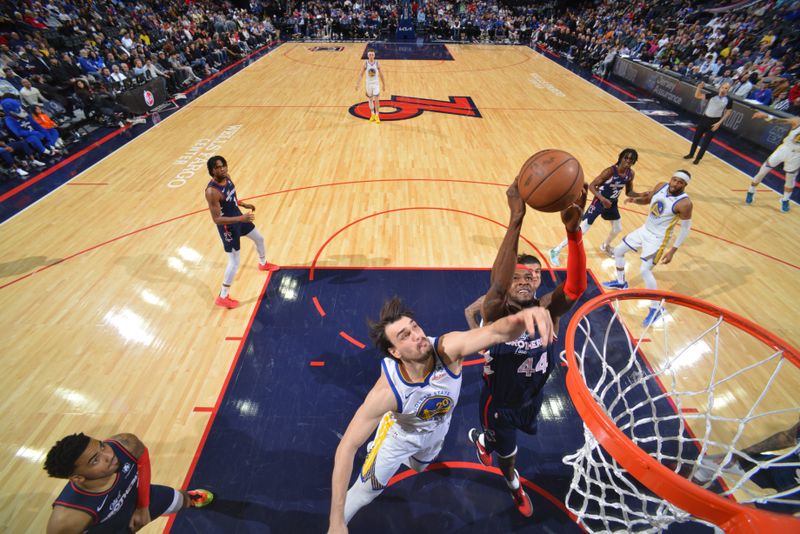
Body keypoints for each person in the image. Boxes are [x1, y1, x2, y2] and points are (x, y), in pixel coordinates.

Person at [328, 295, 556, 532]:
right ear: (395, 352)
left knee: (419, 468)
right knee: (366, 493)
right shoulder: (386, 392)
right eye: (405, 335)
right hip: (398, 439)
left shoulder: (448, 349)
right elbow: (346, 447)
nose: (417, 335)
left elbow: (497, 333)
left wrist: (520, 319)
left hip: (437, 431)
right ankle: (382, 437)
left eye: (414, 327)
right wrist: (336, 521)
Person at [466, 180, 588, 517]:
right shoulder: (495, 310)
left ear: (539, 281)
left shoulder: (550, 309)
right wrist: (516, 218)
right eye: (518, 275)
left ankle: (487, 441)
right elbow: (498, 284)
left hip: (533, 399)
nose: (524, 280)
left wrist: (574, 235)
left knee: (515, 437)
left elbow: (577, 287)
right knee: (508, 456)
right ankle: (512, 484)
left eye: (531, 275)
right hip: (499, 405)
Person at [44, 432, 213, 533]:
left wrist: (143, 506)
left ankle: (189, 500)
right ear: (78, 478)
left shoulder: (125, 444)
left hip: (142, 500)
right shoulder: (67, 519)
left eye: (102, 446)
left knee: (181, 499)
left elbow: (143, 460)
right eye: (95, 460)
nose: (109, 455)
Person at [603, 170, 694, 326]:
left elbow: (685, 228)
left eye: (680, 182)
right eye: (674, 180)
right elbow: (648, 199)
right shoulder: (661, 186)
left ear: (685, 185)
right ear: (671, 179)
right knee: (618, 251)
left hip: (658, 239)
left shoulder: (684, 204)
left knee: (645, 270)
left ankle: (655, 308)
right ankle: (621, 282)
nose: (675, 184)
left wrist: (673, 250)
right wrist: (635, 200)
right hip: (644, 230)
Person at [205, 155, 280, 309]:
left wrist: (243, 204)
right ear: (212, 171)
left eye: (224, 165)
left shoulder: (228, 177)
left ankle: (262, 263)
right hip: (228, 226)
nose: (223, 169)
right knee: (234, 262)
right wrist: (241, 218)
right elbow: (217, 219)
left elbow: (231, 198)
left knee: (259, 238)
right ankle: (223, 296)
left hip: (240, 217)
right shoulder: (212, 192)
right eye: (218, 167)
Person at [549, 148, 642, 265]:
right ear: (621, 158)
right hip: (599, 202)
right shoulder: (610, 172)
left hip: (612, 204)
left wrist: (642, 195)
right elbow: (592, 186)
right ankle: (555, 250)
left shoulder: (630, 174)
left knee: (617, 229)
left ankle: (605, 246)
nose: (628, 161)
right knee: (581, 230)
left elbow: (629, 192)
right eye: (626, 158)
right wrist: (602, 199)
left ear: (634, 162)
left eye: (631, 159)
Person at [694, 417, 800, 513]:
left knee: (744, 514)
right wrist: (743, 453)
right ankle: (695, 479)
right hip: (791, 466)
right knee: (719, 462)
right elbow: (788, 437)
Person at [745, 112, 800, 213]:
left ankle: (785, 200)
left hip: (797, 156)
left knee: (790, 180)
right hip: (784, 149)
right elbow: (779, 121)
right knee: (762, 172)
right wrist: (766, 116)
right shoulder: (797, 121)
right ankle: (751, 191)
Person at [684, 81, 733, 164]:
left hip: (715, 121)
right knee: (696, 138)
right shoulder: (713, 94)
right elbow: (697, 96)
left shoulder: (729, 100)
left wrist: (719, 123)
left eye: (726, 88)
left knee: (706, 141)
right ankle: (691, 154)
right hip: (705, 118)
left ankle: (698, 158)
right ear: (720, 87)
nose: (723, 89)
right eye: (723, 87)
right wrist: (699, 88)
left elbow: (728, 112)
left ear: (728, 90)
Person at [355, 49, 385, 123]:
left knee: (377, 100)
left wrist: (384, 84)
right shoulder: (365, 63)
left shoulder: (377, 63)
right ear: (368, 55)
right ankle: (372, 114)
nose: (371, 56)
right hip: (368, 84)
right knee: (370, 99)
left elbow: (381, 74)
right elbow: (361, 74)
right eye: (370, 54)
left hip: (376, 84)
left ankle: (377, 115)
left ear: (374, 55)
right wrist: (357, 83)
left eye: (372, 54)